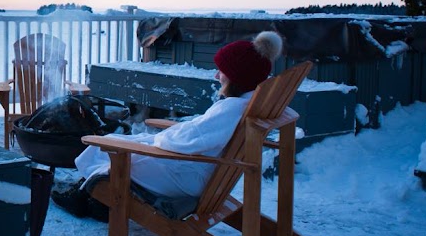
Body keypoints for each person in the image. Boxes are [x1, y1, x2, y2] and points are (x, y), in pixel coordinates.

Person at [52, 30, 284, 219]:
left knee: (111, 148)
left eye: (221, 71)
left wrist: (163, 137)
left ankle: (84, 197)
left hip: (188, 177)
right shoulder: (244, 104)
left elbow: (187, 140)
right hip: (203, 170)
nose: (216, 76)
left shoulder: (231, 109)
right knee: (117, 142)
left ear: (237, 77)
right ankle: (97, 200)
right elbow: (199, 135)